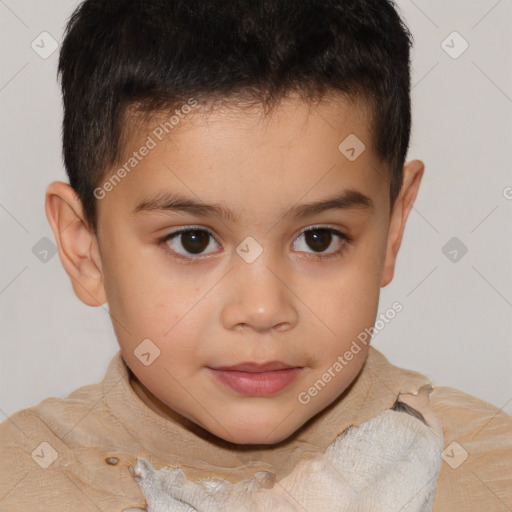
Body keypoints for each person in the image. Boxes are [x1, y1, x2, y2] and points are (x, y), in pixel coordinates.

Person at [0, 0, 510, 510]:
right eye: (193, 241)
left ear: (393, 229)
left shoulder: (489, 473)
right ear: (84, 248)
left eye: (318, 239)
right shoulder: (21, 480)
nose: (263, 310)